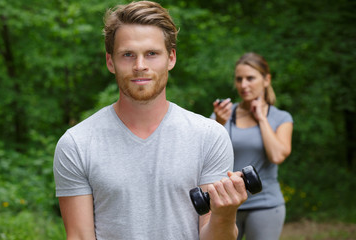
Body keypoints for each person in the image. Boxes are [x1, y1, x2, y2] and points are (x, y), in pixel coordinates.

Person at [53, 1, 248, 239]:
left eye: (152, 54)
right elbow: (80, 237)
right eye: (128, 55)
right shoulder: (77, 143)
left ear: (171, 58)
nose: (140, 66)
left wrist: (225, 214)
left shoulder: (210, 136)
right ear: (110, 61)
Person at [212, 52, 293, 240]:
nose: (243, 85)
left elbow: (278, 156)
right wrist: (219, 123)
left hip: (265, 204)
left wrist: (262, 119)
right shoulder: (223, 114)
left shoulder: (280, 118)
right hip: (227, 204)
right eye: (239, 79)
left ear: (266, 80)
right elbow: (205, 156)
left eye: (250, 78)